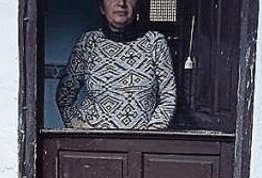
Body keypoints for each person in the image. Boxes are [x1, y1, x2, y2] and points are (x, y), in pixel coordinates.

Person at [56, 0, 177, 130]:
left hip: (140, 144)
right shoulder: (88, 42)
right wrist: (79, 128)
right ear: (102, 8)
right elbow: (64, 96)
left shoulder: (154, 42)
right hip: (94, 144)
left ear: (137, 5)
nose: (121, 3)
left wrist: (148, 137)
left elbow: (168, 98)